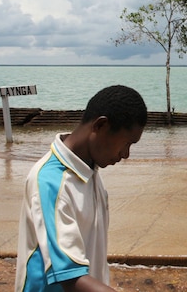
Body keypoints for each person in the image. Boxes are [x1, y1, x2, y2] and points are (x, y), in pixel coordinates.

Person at [15, 85, 147, 292]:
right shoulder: (51, 182)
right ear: (101, 126)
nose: (126, 154)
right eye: (126, 143)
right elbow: (68, 276)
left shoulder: (88, 169)